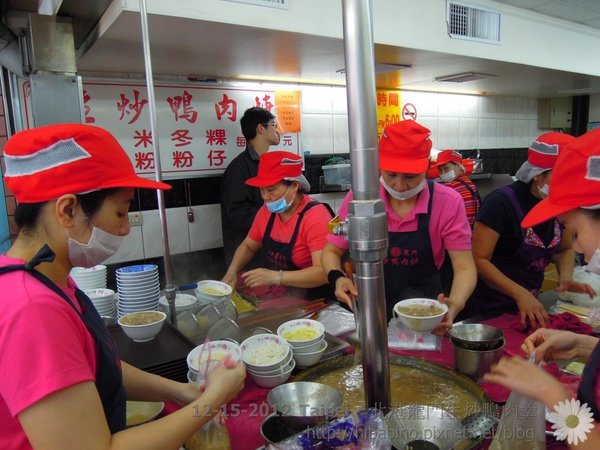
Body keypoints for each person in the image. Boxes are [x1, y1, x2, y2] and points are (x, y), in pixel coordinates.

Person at [0, 124, 246, 450]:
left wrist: (181, 391)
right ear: (68, 210)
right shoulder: (32, 308)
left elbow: (94, 366)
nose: (125, 227)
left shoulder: (42, 278)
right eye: (120, 211)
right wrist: (212, 400)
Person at [485, 127, 600, 447]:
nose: (576, 249)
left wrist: (553, 396)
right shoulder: (502, 202)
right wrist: (582, 346)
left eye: (574, 232)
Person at [321, 121, 477, 333]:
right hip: (370, 308)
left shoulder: (447, 202)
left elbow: (465, 267)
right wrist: (337, 278)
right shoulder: (361, 198)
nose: (399, 185)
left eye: (410, 177)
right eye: (391, 174)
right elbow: (331, 251)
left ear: (427, 168)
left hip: (425, 316)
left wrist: (454, 305)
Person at [463, 132, 590, 329]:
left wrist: (565, 279)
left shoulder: (557, 204)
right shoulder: (501, 203)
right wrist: (520, 294)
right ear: (537, 174)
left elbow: (565, 249)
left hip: (531, 308)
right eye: (562, 176)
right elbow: (479, 259)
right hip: (488, 311)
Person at [222, 151, 333, 300]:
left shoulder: (315, 217)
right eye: (261, 190)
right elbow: (248, 246)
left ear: (294, 186)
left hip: (320, 300)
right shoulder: (266, 213)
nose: (265, 197)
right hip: (289, 298)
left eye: (271, 190)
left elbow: (324, 273)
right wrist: (232, 270)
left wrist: (277, 277)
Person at [220, 107, 280, 267]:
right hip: (247, 259)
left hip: (268, 254)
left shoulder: (269, 164)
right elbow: (238, 213)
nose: (277, 130)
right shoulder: (239, 168)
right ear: (261, 128)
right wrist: (275, 217)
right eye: (273, 125)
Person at [431, 149, 481, 228]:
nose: (443, 173)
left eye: (446, 168)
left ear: (458, 166)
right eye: (440, 170)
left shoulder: (449, 188)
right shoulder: (470, 184)